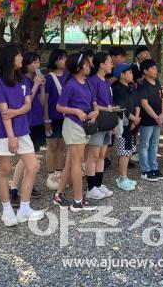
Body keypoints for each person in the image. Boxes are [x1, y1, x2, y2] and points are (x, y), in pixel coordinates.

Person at [0, 45, 44, 227]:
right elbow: (4, 114)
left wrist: (16, 112)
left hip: (22, 129)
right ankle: (7, 210)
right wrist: (11, 137)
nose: (21, 58)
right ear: (10, 58)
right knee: (4, 169)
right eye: (19, 55)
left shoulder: (21, 79)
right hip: (4, 132)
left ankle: (24, 208)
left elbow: (27, 105)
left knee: (34, 166)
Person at [54, 52, 99, 212]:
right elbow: (59, 107)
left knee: (72, 162)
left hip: (83, 126)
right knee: (77, 161)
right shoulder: (71, 84)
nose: (90, 66)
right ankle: (78, 201)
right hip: (74, 126)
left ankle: (58, 195)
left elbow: (94, 103)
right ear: (79, 67)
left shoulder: (87, 82)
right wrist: (76, 111)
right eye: (87, 64)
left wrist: (96, 112)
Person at [10, 52, 45, 201]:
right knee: (26, 157)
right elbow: (27, 101)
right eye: (34, 63)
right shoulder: (22, 80)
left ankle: (27, 185)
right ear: (27, 64)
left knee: (31, 154)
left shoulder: (36, 79)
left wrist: (42, 86)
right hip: (27, 121)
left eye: (38, 62)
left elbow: (42, 101)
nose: (37, 65)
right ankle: (14, 187)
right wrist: (36, 84)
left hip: (37, 119)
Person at [85, 52, 116, 200]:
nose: (112, 64)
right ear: (101, 64)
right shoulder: (93, 81)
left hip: (107, 121)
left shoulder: (105, 81)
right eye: (109, 62)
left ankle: (98, 184)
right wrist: (108, 109)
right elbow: (93, 103)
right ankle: (91, 187)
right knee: (93, 155)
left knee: (102, 154)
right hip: (98, 121)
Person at [111, 63, 141, 191]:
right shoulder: (117, 89)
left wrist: (136, 119)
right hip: (123, 124)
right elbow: (121, 108)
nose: (132, 74)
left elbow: (137, 104)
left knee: (129, 150)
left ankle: (124, 177)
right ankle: (122, 178)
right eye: (129, 72)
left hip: (133, 124)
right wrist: (134, 119)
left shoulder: (132, 88)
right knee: (124, 152)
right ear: (122, 75)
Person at [43, 48, 67, 190]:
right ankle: (50, 174)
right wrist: (46, 120)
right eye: (62, 58)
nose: (65, 61)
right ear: (56, 60)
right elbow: (45, 101)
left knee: (61, 146)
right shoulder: (49, 78)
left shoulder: (68, 76)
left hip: (65, 117)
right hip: (52, 117)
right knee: (52, 146)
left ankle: (59, 172)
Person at [138, 59, 163, 181]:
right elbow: (144, 103)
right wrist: (156, 117)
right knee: (145, 145)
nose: (155, 70)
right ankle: (145, 170)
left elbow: (162, 99)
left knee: (154, 144)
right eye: (153, 68)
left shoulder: (157, 83)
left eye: (155, 68)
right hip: (148, 120)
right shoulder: (143, 85)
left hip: (158, 119)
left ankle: (154, 167)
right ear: (145, 71)